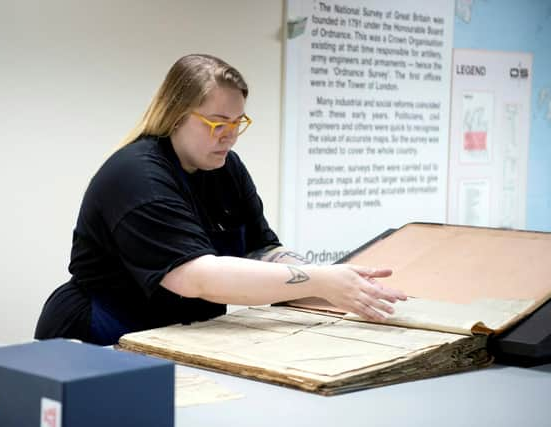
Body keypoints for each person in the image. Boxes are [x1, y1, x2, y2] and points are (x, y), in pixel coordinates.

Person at [34, 53, 406, 345]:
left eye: (238, 122)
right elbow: (194, 277)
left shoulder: (225, 167)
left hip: (184, 332)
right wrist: (319, 280)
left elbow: (262, 247)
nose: (230, 136)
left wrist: (334, 283)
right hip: (102, 333)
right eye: (217, 123)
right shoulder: (137, 175)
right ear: (177, 115)